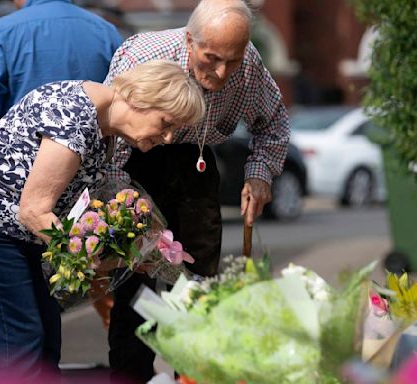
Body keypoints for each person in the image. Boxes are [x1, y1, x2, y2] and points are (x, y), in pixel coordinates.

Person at [0, 60, 205, 382]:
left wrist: (135, 249)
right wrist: (92, 257)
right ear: (141, 99)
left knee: (45, 340)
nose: (168, 137)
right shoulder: (75, 115)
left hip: (17, 235)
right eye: (166, 123)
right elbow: (34, 210)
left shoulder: (105, 129)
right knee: (22, 346)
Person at [104, 0, 290, 382]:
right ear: (190, 40)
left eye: (232, 60)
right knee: (135, 292)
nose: (222, 73)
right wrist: (120, 204)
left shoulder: (249, 64)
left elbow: (273, 123)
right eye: (211, 59)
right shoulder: (145, 55)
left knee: (196, 289)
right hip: (134, 163)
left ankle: (191, 376)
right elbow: (109, 137)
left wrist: (259, 175)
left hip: (196, 165)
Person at [0, 0, 123, 132]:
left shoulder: (4, 29)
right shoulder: (106, 30)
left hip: (22, 149)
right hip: (89, 149)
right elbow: (120, 101)